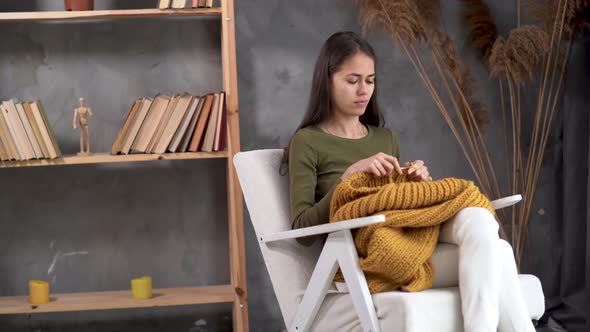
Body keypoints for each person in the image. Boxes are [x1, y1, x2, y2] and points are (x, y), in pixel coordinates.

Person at [281, 31, 535, 332]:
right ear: (327, 80)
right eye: (353, 80)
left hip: (410, 232)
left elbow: (398, 202)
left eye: (370, 80)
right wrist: (347, 179)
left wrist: (416, 183)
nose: (364, 90)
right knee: (501, 254)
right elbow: (302, 230)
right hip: (370, 253)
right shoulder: (308, 141)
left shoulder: (384, 137)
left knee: (480, 217)